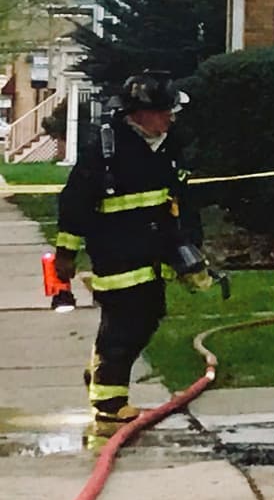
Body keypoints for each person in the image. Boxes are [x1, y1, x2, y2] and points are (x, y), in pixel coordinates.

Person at [54, 71, 209, 430]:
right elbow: (75, 202)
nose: (170, 118)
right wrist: (66, 252)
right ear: (141, 113)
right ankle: (109, 402)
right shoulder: (106, 149)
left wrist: (190, 245)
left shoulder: (167, 145)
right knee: (124, 323)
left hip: (154, 252)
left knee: (149, 315)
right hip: (116, 252)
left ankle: (102, 371)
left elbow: (180, 197)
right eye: (164, 112)